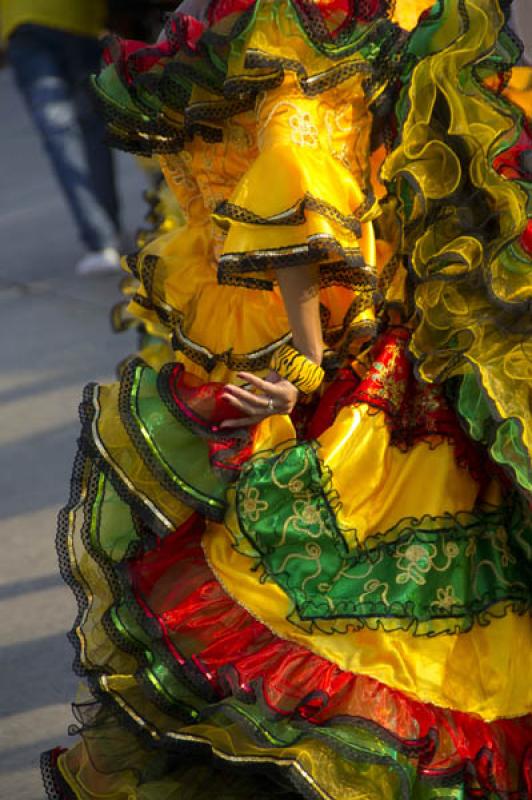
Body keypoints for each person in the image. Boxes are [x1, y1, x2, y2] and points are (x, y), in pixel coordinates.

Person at [40, 0, 531, 798]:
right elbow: (288, 215)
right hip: (340, 347)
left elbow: (305, 213)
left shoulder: (286, 47)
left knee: (343, 615)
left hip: (363, 358)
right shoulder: (284, 44)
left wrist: (304, 367)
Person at [0, 1, 122, 274]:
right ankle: (108, 228)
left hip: (25, 25)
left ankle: (101, 240)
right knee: (94, 130)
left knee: (60, 136)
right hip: (80, 22)